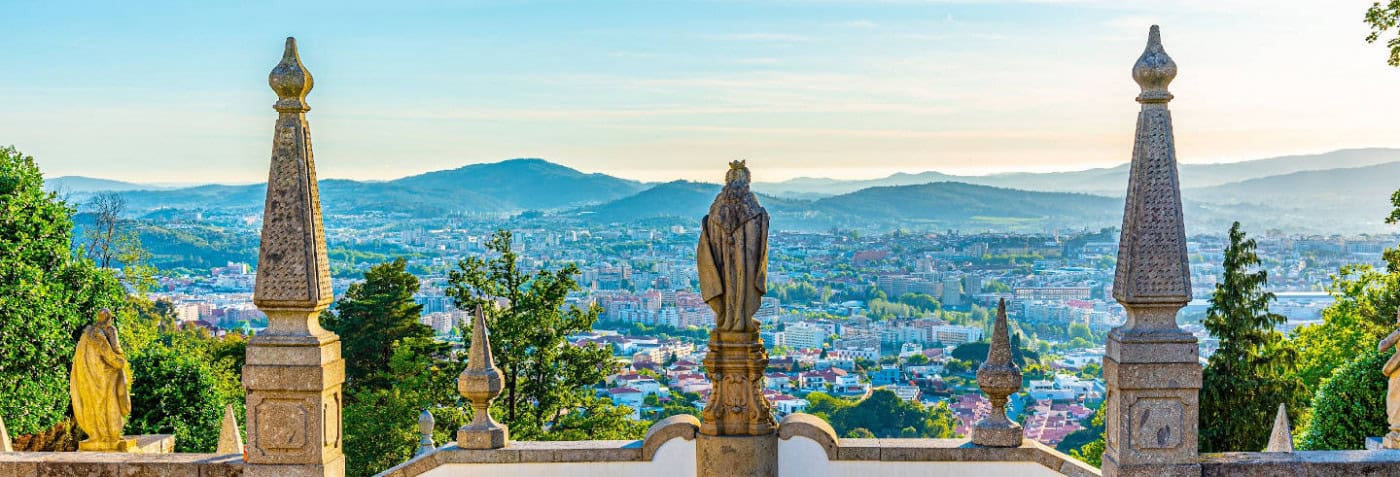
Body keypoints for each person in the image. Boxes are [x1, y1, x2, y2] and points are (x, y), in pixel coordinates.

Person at [70, 308, 133, 451]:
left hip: (90, 377)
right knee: (111, 403)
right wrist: (120, 361)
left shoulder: (87, 336)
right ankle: (111, 435)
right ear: (109, 318)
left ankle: (97, 435)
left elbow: (80, 360)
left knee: (94, 405)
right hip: (106, 376)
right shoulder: (106, 333)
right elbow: (114, 355)